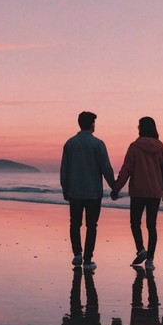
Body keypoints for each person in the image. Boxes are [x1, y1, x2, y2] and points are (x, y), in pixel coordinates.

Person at [111, 116, 163, 270]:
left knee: (135, 223)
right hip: (155, 192)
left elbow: (126, 170)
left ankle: (141, 249)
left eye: (138, 126)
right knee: (152, 226)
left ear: (141, 128)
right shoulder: (160, 146)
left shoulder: (134, 147)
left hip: (138, 191)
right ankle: (150, 260)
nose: (137, 128)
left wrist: (116, 188)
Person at [60, 111, 116, 269]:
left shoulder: (70, 143)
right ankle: (87, 259)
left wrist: (65, 188)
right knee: (92, 226)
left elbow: (64, 169)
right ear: (92, 124)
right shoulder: (98, 144)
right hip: (93, 192)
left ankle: (77, 255)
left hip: (75, 191)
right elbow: (106, 168)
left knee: (75, 224)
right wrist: (114, 187)